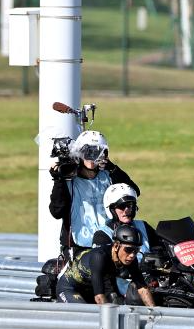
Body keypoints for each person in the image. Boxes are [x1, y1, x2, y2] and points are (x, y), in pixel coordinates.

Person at [49, 129, 138, 257]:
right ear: (79, 153)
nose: (92, 157)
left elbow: (134, 193)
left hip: (108, 245)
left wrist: (112, 168)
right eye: (87, 152)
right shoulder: (69, 180)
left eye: (97, 152)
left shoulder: (109, 176)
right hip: (78, 247)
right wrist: (58, 180)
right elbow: (57, 212)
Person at [55, 223, 156, 307]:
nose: (132, 255)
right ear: (116, 246)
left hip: (90, 290)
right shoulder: (99, 256)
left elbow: (143, 289)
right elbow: (99, 297)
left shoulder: (131, 259)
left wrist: (154, 313)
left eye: (136, 250)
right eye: (128, 250)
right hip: (69, 288)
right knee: (86, 315)